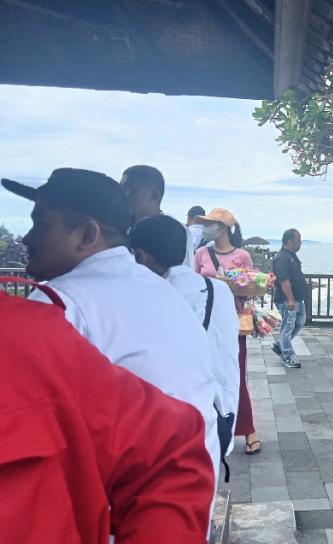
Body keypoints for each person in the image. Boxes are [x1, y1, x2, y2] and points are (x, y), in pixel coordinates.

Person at [1, 168, 221, 488]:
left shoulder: (59, 303)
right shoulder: (164, 291)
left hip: (124, 514)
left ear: (88, 235)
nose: (27, 238)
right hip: (192, 489)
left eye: (41, 225)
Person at [0, 283, 215, 543]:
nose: (31, 246)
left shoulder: (29, 334)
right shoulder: (163, 292)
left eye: (39, 238)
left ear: (86, 238)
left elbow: (165, 448)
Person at [129, 214, 240, 456]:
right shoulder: (218, 291)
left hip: (162, 431)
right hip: (218, 415)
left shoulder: (140, 298)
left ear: (140, 256)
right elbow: (226, 356)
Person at [194, 207, 262, 455]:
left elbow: (252, 288)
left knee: (235, 374)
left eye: (210, 224)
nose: (206, 229)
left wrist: (233, 285)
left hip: (233, 322)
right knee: (205, 373)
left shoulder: (242, 255)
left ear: (222, 228)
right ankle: (209, 429)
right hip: (205, 322)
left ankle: (249, 429)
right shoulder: (201, 253)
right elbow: (192, 283)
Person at [272, 228, 307, 369]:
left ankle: (280, 345)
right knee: (288, 327)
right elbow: (283, 280)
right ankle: (287, 355)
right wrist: (291, 300)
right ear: (289, 241)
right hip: (288, 300)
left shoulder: (291, 256)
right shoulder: (282, 258)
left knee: (299, 322)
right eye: (298, 240)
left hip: (297, 299)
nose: (300, 243)